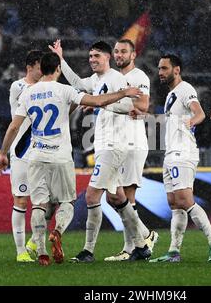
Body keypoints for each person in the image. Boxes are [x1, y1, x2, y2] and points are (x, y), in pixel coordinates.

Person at [0, 51, 143, 266]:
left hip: (36, 156)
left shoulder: (28, 93)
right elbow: (98, 101)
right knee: (67, 202)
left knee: (38, 204)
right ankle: (57, 231)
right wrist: (123, 93)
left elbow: (14, 126)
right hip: (61, 156)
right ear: (57, 69)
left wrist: (2, 153)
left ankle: (42, 251)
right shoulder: (64, 90)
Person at [51, 39, 152, 262]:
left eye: (97, 56)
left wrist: (102, 103)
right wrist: (61, 59)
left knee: (91, 195)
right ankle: (142, 242)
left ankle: (88, 251)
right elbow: (77, 81)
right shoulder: (96, 80)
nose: (92, 60)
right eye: (90, 57)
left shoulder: (117, 79)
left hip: (115, 145)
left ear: (107, 58)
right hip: (104, 145)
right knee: (116, 197)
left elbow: (131, 107)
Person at [150, 54, 211, 263]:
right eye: (159, 69)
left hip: (183, 153)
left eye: (164, 68)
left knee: (184, 199)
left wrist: (191, 123)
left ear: (177, 70)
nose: (160, 73)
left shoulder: (185, 89)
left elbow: (199, 113)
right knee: (174, 202)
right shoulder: (170, 95)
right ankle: (174, 251)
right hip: (171, 153)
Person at [102, 39, 158, 261]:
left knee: (127, 196)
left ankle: (130, 248)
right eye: (116, 51)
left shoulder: (139, 77)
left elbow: (144, 105)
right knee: (113, 197)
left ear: (133, 55)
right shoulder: (113, 78)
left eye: (123, 51)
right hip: (116, 143)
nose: (119, 55)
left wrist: (110, 103)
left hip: (133, 143)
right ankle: (145, 235)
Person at [8, 50, 43, 262]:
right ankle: (21, 251)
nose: (43, 71)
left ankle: (35, 240)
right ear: (30, 67)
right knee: (21, 200)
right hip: (21, 150)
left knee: (48, 200)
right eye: (41, 67)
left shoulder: (48, 88)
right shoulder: (18, 86)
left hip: (43, 150)